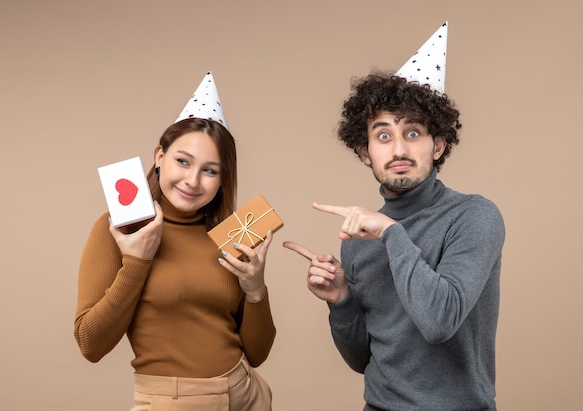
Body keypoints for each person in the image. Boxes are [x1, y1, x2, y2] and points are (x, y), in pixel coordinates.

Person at [283, 71, 505, 411]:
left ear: (438, 145)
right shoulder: (358, 239)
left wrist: (391, 233)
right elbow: (363, 360)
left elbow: (438, 322)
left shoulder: (474, 216)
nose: (399, 148)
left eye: (413, 133)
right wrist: (341, 300)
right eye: (383, 135)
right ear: (364, 152)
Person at [74, 115, 276, 411]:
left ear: (222, 180)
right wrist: (136, 261)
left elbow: (257, 354)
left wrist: (256, 290)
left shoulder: (228, 236)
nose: (192, 181)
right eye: (183, 161)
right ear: (160, 157)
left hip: (246, 395)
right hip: (171, 401)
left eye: (210, 170)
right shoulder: (120, 230)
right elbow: (90, 345)